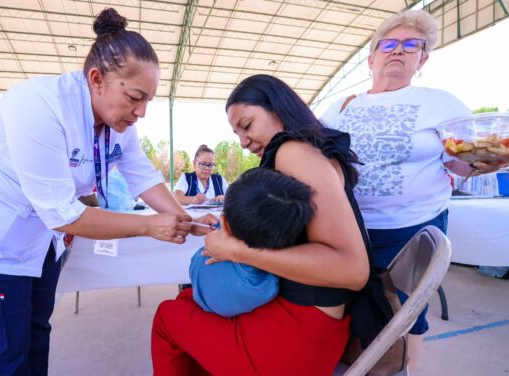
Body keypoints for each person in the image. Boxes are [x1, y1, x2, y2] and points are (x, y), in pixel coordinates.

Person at [0, 8, 214, 376]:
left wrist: (186, 219)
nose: (142, 112)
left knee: (34, 340)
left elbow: (142, 176)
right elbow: (63, 214)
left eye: (149, 100)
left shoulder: (119, 121)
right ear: (96, 79)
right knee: (0, 358)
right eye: (136, 97)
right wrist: (149, 226)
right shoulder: (39, 105)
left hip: (38, 245)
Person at [320, 9, 507, 369]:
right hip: (348, 227)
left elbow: (457, 159)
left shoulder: (439, 103)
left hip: (412, 228)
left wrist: (481, 162)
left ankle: (404, 369)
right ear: (371, 58)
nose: (398, 51)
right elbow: (317, 157)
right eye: (388, 44)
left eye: (411, 45)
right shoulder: (341, 107)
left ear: (422, 59)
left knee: (404, 317)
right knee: (343, 309)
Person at [151, 74, 372, 376]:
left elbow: (352, 270)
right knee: (188, 299)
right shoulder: (310, 149)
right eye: (236, 132)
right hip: (316, 324)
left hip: (300, 334)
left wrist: (236, 250)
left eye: (247, 125)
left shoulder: (292, 152)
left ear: (277, 109)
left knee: (168, 316)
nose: (242, 141)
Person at [189, 167, 314, 318]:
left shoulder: (213, 253)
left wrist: (221, 229)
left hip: (204, 299)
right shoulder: (267, 283)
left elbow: (196, 262)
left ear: (225, 224)